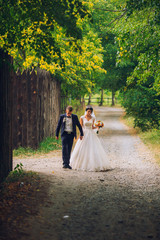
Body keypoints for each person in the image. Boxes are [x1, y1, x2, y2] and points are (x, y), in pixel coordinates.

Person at [70, 106, 111, 171]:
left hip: (91, 133)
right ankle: (80, 163)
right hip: (85, 133)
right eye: (88, 111)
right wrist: (81, 134)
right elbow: (81, 127)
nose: (89, 113)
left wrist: (98, 126)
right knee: (83, 147)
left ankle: (94, 164)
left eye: (90, 112)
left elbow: (92, 126)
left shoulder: (93, 118)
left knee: (93, 147)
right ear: (86, 111)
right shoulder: (82, 117)